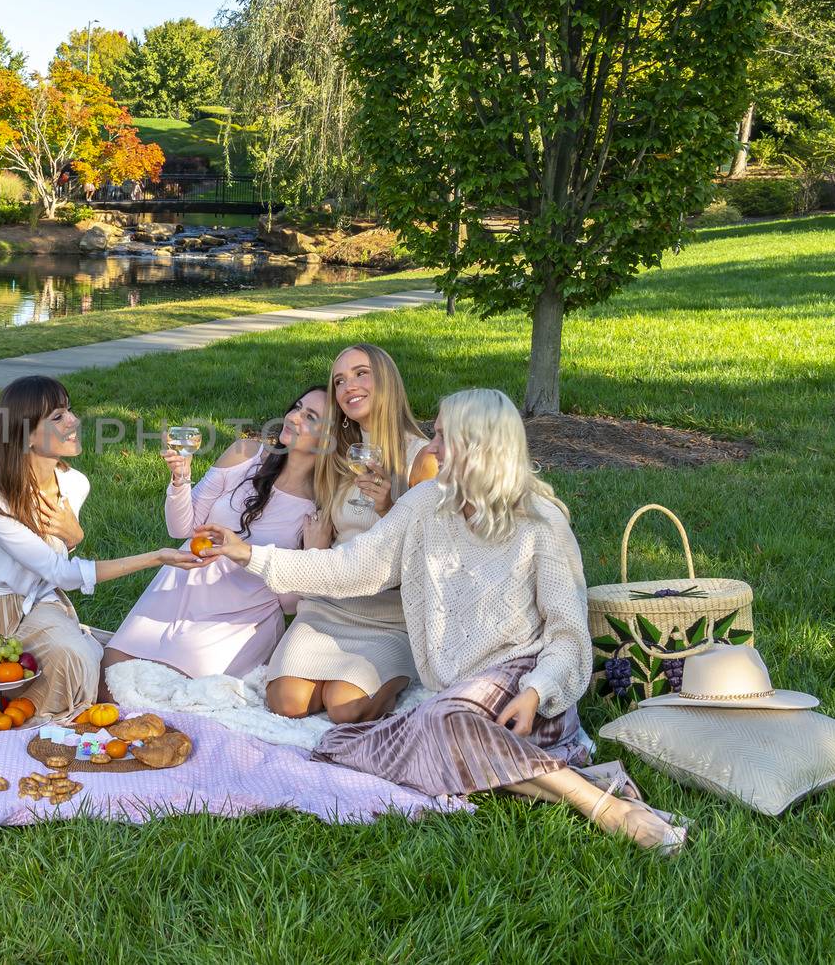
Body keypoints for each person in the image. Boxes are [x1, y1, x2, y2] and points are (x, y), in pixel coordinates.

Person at [195, 388, 686, 853]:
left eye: (443, 437)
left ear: (478, 446)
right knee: (349, 744)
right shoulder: (428, 503)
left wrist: (537, 691)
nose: (432, 449)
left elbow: (567, 636)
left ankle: (606, 810)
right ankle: (570, 781)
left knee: (437, 725)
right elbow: (352, 567)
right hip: (457, 693)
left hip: (524, 686)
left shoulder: (543, 523)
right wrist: (250, 554)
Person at [0, 375, 200, 719]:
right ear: (25, 435)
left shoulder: (74, 484)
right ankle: (19, 720)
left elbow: (53, 559)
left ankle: (35, 699)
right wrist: (157, 557)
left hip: (36, 601)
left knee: (84, 659)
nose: (74, 421)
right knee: (77, 659)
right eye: (58, 417)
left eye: (70, 411)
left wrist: (74, 538)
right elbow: (60, 572)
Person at [100, 387, 327, 691]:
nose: (293, 417)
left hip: (243, 614)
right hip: (184, 582)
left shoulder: (321, 505)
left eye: (309, 416)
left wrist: (313, 552)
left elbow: (288, 605)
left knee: (177, 696)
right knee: (112, 679)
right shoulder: (246, 453)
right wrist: (181, 479)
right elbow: (182, 528)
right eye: (297, 407)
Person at [264, 344, 434, 723]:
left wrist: (391, 509)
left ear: (386, 379)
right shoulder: (338, 454)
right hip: (328, 606)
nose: (348, 386)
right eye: (339, 380)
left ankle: (398, 678)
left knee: (345, 706)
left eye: (360, 373)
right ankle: (332, 677)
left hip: (388, 615)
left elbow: (434, 555)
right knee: (286, 702)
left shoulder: (422, 458)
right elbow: (280, 462)